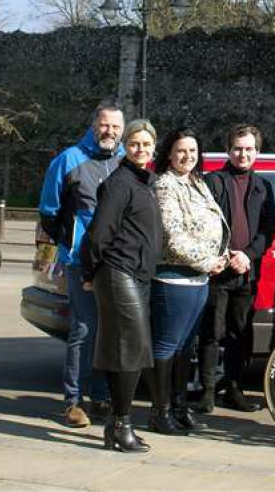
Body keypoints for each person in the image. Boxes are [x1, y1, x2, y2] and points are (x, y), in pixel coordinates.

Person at [39, 101, 123, 428]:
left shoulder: (122, 161)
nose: (110, 132)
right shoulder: (69, 160)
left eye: (116, 127)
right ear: (94, 125)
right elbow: (49, 212)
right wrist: (72, 244)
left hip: (115, 263)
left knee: (108, 330)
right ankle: (73, 401)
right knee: (84, 329)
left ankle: (100, 394)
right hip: (80, 262)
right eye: (105, 125)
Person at [81, 119, 161, 453]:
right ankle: (122, 425)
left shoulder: (145, 181)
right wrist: (91, 273)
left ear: (154, 147)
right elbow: (99, 234)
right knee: (131, 351)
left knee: (124, 351)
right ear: (124, 146)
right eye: (134, 144)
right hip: (119, 272)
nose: (140, 150)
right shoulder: (120, 183)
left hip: (136, 274)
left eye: (146, 144)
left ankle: (116, 425)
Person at [148, 127, 229, 435]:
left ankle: (179, 407)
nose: (187, 156)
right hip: (174, 279)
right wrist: (208, 261)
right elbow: (172, 236)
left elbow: (213, 223)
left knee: (185, 347)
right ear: (169, 153)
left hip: (199, 279)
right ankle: (160, 411)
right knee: (167, 345)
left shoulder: (197, 181)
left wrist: (223, 253)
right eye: (181, 151)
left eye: (193, 151)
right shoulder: (166, 185)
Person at [197, 124, 275, 413]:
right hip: (218, 271)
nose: (243, 154)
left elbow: (268, 229)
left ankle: (234, 388)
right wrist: (224, 253)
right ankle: (206, 392)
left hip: (246, 272)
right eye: (238, 148)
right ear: (229, 150)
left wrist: (248, 255)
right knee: (211, 332)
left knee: (240, 334)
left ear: (257, 152)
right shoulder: (213, 182)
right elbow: (203, 226)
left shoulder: (263, 187)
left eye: (249, 149)